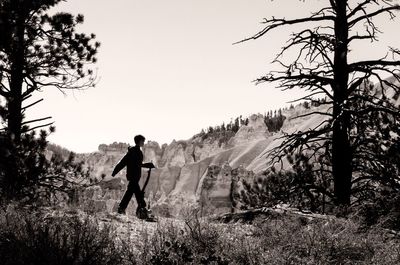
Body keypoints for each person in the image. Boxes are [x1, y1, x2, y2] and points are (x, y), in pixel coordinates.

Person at [111, 134, 154, 216]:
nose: (143, 143)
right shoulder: (134, 151)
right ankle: (142, 209)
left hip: (134, 176)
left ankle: (123, 209)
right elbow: (132, 163)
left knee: (131, 192)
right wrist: (147, 165)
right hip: (133, 176)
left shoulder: (135, 151)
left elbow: (124, 162)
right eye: (143, 141)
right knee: (137, 193)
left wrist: (115, 171)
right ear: (139, 141)